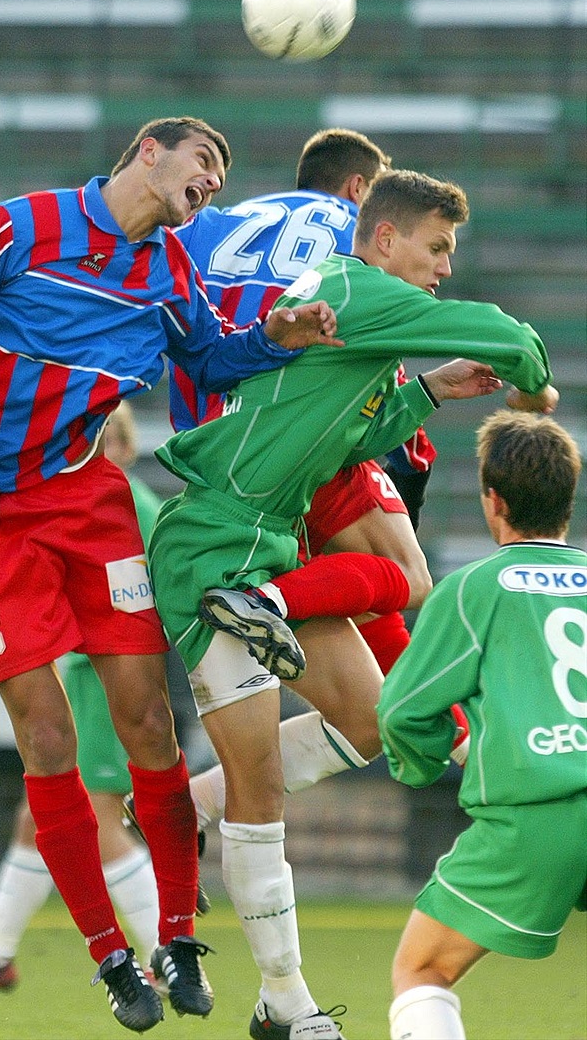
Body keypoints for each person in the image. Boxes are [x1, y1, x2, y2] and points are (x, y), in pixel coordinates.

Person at [0, 116, 340, 1034]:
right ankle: (110, 954)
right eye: (205, 160)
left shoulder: (172, 268)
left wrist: (281, 334)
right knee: (49, 740)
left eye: (223, 172)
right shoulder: (19, 227)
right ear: (150, 152)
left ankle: (175, 937)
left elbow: (212, 356)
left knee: (146, 716)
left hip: (87, 499)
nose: (213, 181)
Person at [146, 168, 558, 1038]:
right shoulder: (354, 287)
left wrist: (434, 390)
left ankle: (187, 805)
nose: (445, 266)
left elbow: (348, 429)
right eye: (437, 246)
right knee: (262, 788)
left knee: (375, 720)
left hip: (267, 539)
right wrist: (534, 386)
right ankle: (285, 1002)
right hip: (212, 546)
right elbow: (503, 331)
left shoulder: (356, 309)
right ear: (383, 238)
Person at [174, 129, 467, 769]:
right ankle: (454, 733)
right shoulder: (360, 237)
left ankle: (191, 802)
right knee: (403, 576)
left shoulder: (210, 225)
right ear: (363, 193)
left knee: (363, 694)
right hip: (312, 441)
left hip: (218, 459)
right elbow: (381, 370)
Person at [0, 405, 166, 997]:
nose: (102, 447)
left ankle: (168, 956)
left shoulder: (131, 506)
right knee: (38, 818)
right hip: (87, 678)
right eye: (95, 436)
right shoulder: (77, 503)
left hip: (110, 684)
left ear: (127, 447)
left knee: (96, 818)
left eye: (112, 438)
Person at [378, 410, 586, 1040]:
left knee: (421, 971)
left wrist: (434, 758)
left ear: (492, 500)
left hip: (538, 818)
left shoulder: (476, 588)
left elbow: (402, 710)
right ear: (568, 499)